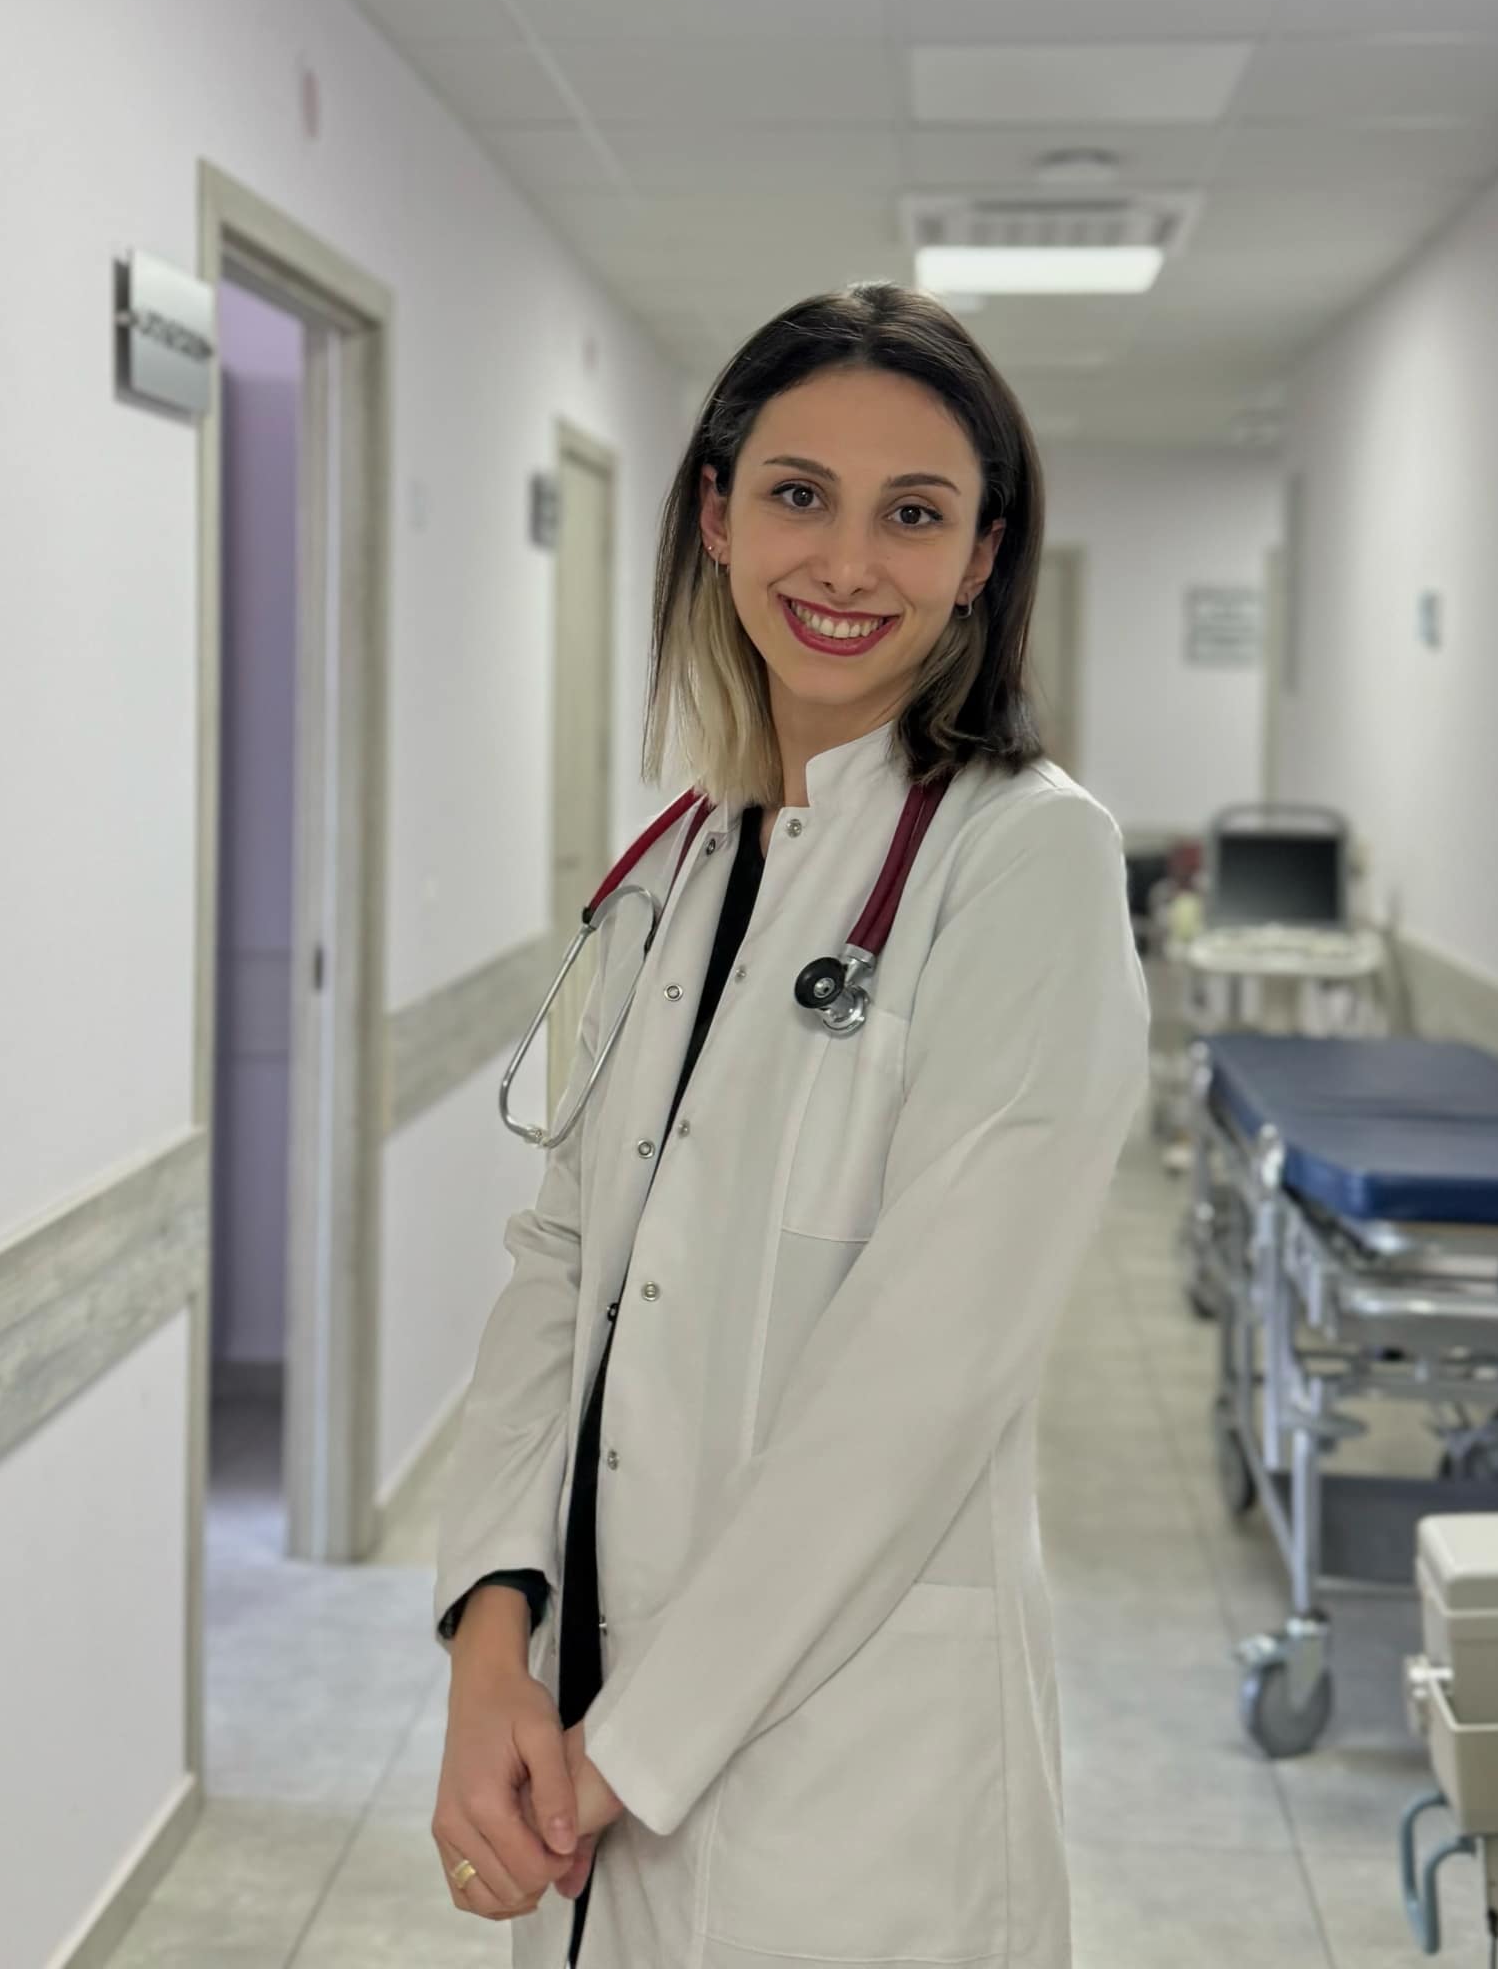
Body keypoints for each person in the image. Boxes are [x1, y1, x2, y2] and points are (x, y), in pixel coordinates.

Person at [428, 280, 1150, 1969]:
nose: (846, 562)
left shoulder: (1025, 859)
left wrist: (620, 1755)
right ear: (717, 514)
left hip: (848, 1779)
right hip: (583, 1711)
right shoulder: (688, 859)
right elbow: (562, 1266)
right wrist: (490, 1642)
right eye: (800, 494)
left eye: (916, 513)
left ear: (982, 558)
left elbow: (923, 1377)